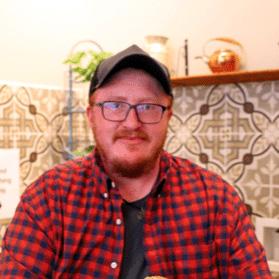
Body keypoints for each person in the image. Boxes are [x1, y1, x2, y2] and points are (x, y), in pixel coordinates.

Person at [0, 45, 271, 278]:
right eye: (115, 105)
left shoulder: (218, 201)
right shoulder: (48, 199)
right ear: (91, 115)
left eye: (148, 107)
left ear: (168, 116)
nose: (132, 123)